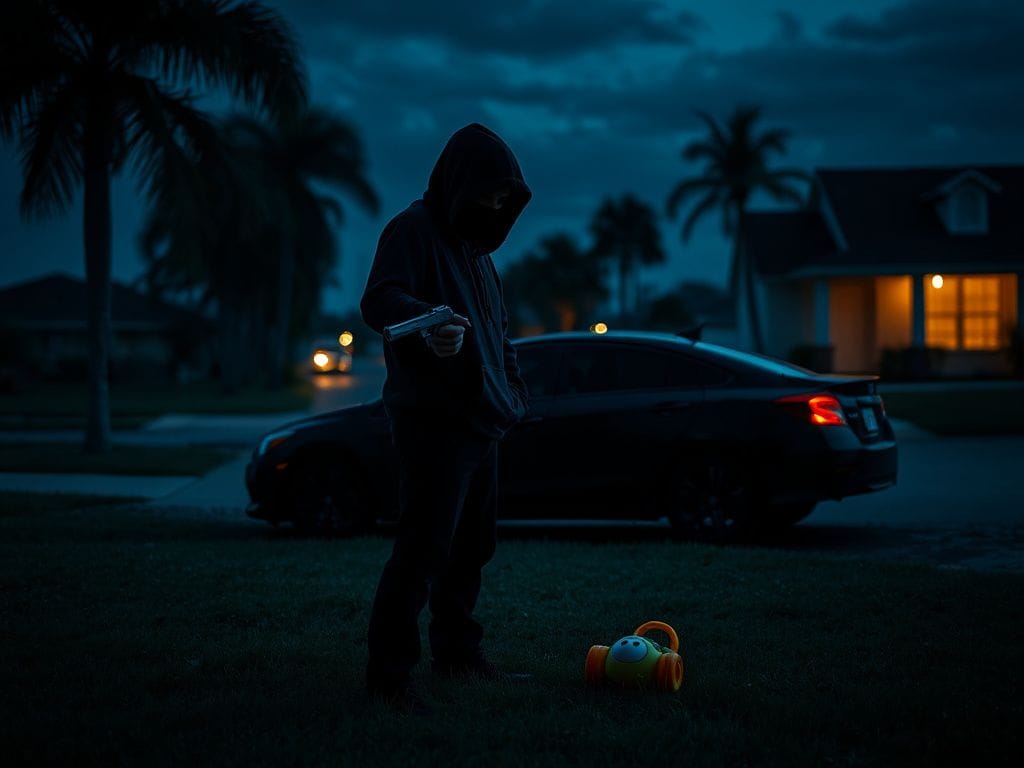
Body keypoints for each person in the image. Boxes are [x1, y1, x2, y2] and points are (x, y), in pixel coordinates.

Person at [359, 123, 533, 714]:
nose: (494, 207)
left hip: (482, 422)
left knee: (471, 547)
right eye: (487, 193)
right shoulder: (412, 231)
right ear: (459, 183)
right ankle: (388, 677)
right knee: (422, 550)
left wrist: (512, 390)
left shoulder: (479, 255)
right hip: (432, 422)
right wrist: (427, 322)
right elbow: (381, 301)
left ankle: (457, 655)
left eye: (503, 199)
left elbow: (498, 332)